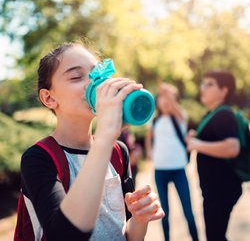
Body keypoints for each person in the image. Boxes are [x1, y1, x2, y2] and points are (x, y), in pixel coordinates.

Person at [19, 42, 165, 241]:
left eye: (98, 74)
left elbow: (127, 235)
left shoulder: (117, 151)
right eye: (76, 77)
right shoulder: (39, 158)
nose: (94, 83)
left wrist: (140, 219)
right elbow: (67, 235)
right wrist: (104, 136)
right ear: (49, 98)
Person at [186, 70, 242, 241]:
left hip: (221, 190)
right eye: (203, 84)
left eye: (209, 84)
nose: (203, 88)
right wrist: (198, 138)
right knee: (216, 235)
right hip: (214, 190)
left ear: (224, 90)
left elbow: (233, 147)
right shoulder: (213, 114)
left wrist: (197, 144)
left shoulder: (224, 114)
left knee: (215, 236)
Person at [145, 82, 199, 241]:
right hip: (160, 170)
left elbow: (173, 105)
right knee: (164, 213)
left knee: (188, 212)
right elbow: (149, 138)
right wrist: (149, 152)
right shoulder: (154, 121)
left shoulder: (180, 116)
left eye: (169, 98)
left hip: (178, 170)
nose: (165, 101)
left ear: (174, 100)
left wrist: (166, 92)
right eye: (162, 98)